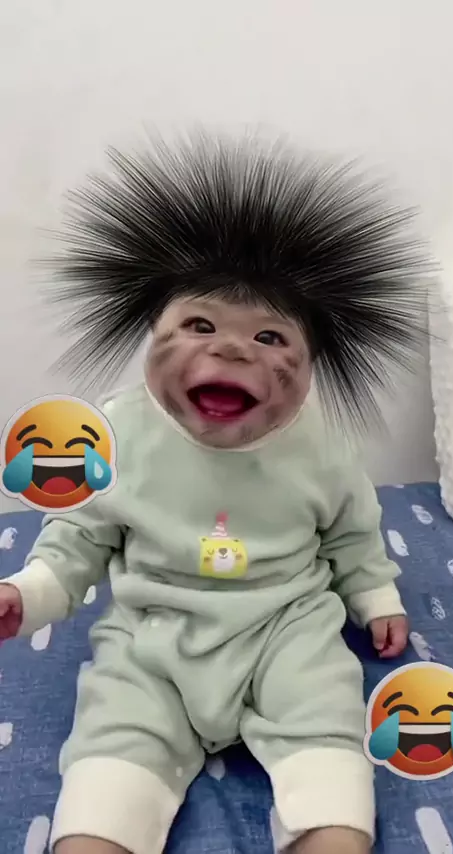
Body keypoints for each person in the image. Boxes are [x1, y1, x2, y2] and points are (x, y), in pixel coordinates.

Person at [0, 133, 428, 854]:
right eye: (199, 325)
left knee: (326, 729)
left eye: (270, 338)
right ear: (151, 334)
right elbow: (78, 537)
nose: (231, 349)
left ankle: (329, 830)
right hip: (153, 632)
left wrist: (375, 597)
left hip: (286, 627)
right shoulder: (118, 433)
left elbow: (353, 532)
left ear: (315, 366)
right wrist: (30, 591)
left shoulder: (322, 443)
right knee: (111, 753)